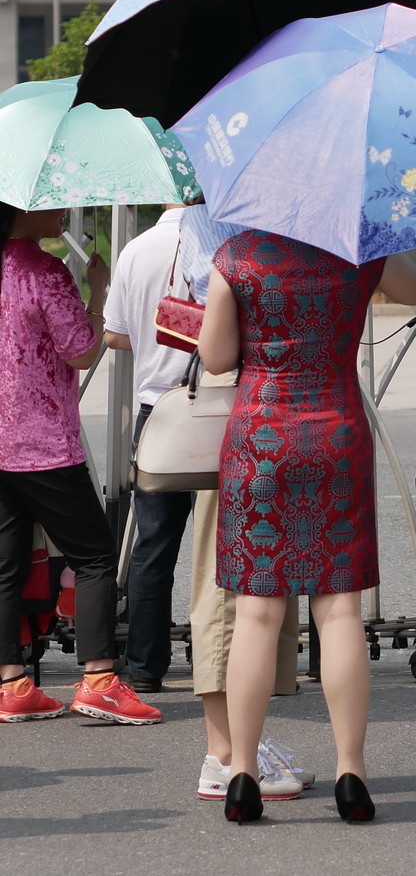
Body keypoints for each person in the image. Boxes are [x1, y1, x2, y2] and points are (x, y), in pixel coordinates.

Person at [198, 230, 416, 823]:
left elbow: (217, 358)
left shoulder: (237, 255)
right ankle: (350, 772)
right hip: (336, 432)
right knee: (339, 614)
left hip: (262, 436)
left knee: (256, 612)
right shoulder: (357, 244)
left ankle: (244, 774)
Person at [0, 202, 161, 725]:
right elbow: (82, 352)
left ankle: (12, 682)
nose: (65, 213)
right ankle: (97, 679)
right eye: (53, 206)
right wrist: (97, 290)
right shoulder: (44, 271)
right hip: (43, 441)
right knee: (93, 555)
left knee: (5, 565)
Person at [179, 202, 311, 803]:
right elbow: (216, 350)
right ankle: (224, 753)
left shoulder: (245, 226)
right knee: (228, 591)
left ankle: (239, 747)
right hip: (234, 406)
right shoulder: (215, 228)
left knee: (254, 593)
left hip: (254, 411)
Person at [104, 204, 194, 693]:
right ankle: (232, 661)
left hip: (156, 411)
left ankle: (144, 667)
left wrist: (156, 335)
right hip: (218, 409)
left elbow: (115, 335)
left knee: (153, 547)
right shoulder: (225, 245)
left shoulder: (134, 251)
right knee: (231, 543)